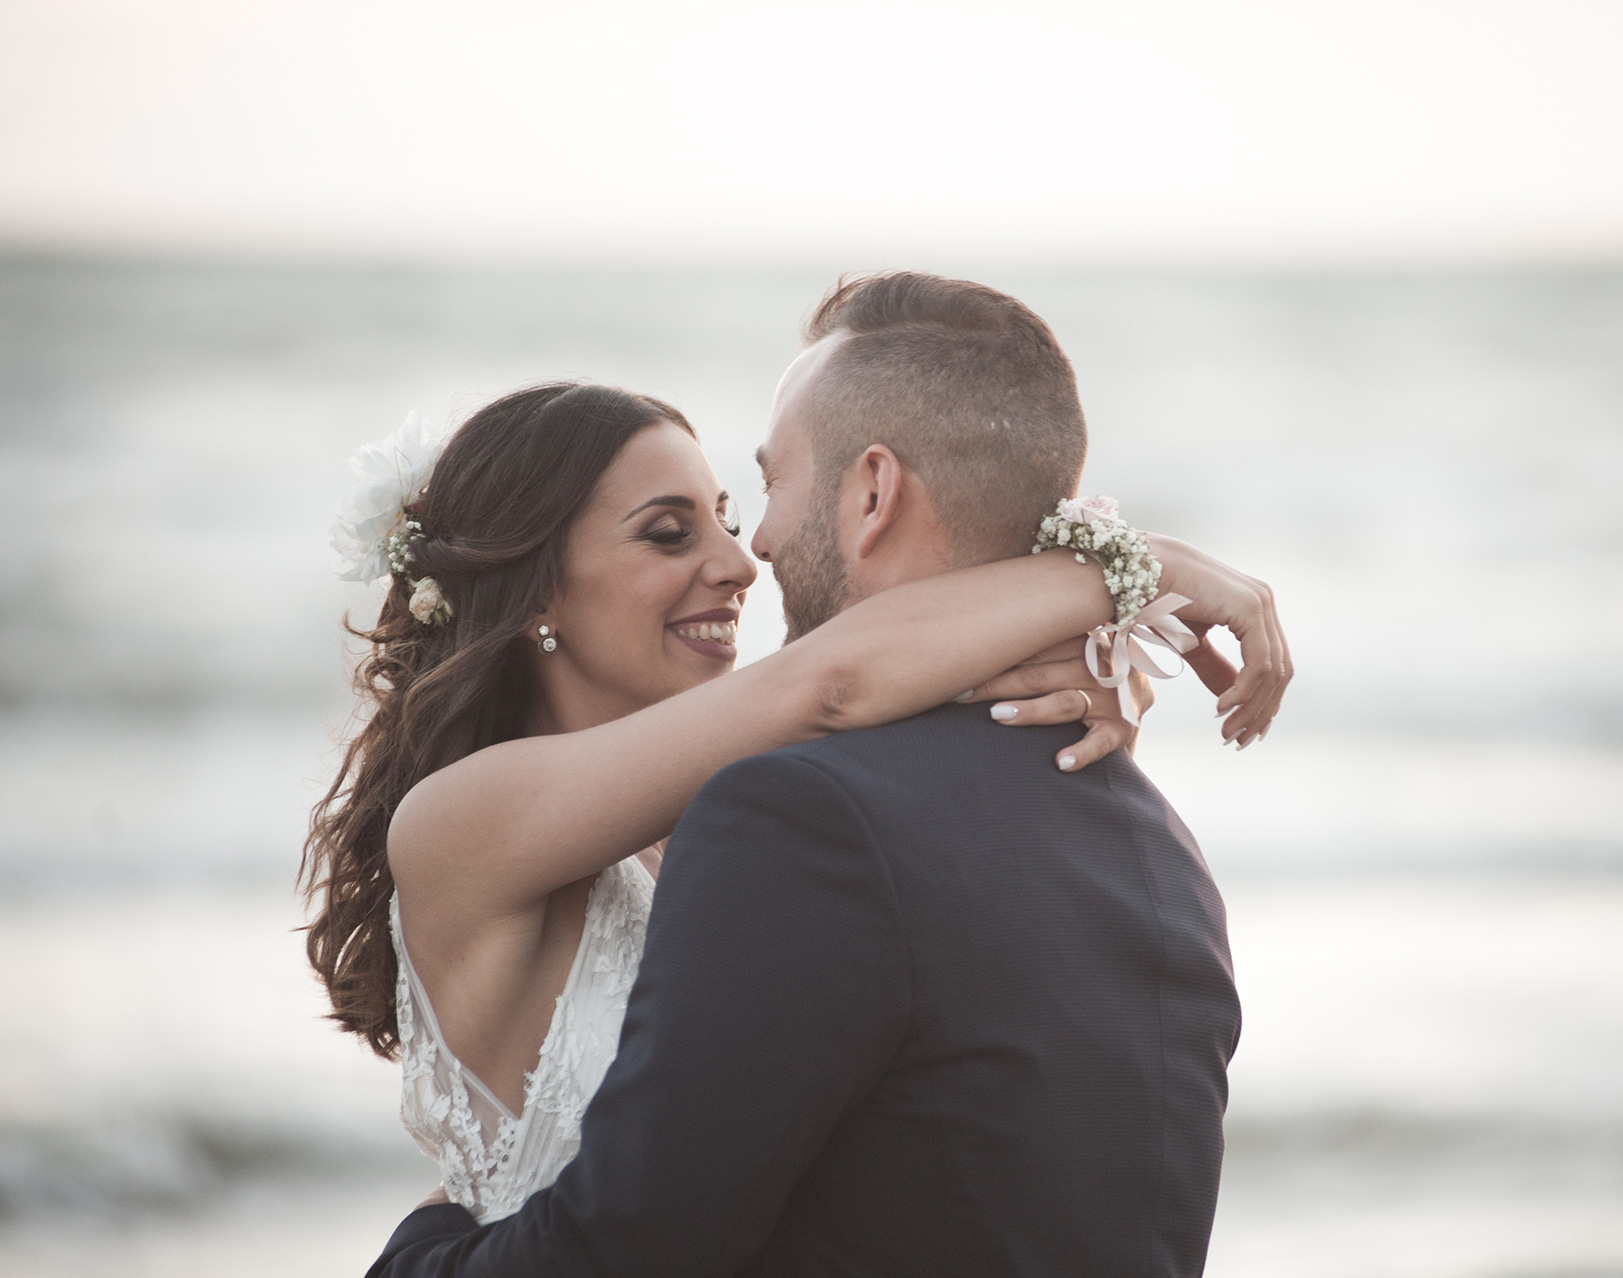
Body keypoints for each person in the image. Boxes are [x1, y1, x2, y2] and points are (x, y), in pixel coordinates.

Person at [348, 272, 1287, 1277]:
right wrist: (1133, 571)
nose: (741, 558)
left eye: (730, 509)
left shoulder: (775, 803)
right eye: (670, 532)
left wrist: (1087, 707)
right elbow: (833, 680)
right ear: (538, 590)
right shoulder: (463, 817)